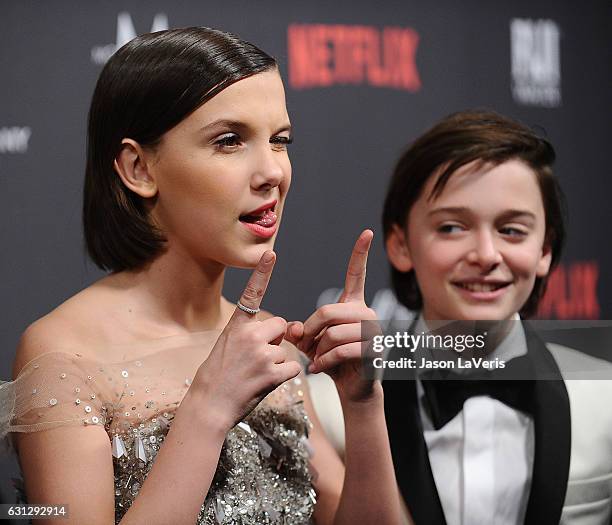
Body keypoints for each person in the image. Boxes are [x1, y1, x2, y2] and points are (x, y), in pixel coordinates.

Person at [0, 27, 402, 525]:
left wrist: (363, 408)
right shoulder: (62, 355)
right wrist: (209, 408)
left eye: (280, 140)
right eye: (229, 141)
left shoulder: (270, 345)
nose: (272, 172)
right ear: (139, 168)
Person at [381, 110, 612, 524]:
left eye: (512, 230)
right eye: (452, 227)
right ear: (400, 245)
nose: (486, 255)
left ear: (545, 250)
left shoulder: (605, 401)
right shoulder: (333, 409)